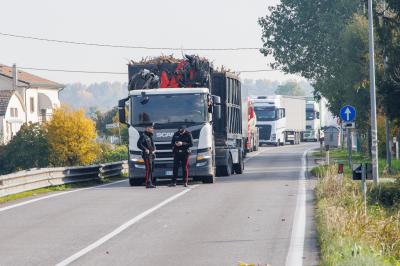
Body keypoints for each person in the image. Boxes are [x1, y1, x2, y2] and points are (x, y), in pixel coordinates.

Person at [137, 124, 156, 188]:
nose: (152, 129)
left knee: (151, 169)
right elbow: (139, 144)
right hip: (146, 155)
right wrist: (145, 149)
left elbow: (152, 145)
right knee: (148, 169)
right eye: (151, 128)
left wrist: (154, 149)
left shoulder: (150, 135)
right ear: (147, 128)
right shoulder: (143, 135)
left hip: (151, 154)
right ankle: (147, 183)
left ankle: (150, 182)